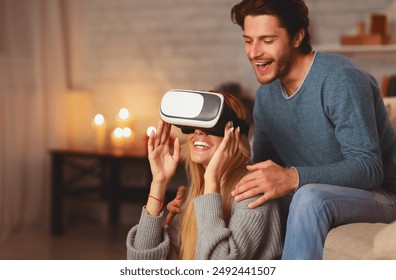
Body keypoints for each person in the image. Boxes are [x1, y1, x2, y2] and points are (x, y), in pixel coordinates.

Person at [228, 0, 396, 259]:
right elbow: (262, 170)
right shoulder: (266, 98)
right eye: (248, 40)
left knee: (309, 197)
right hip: (320, 192)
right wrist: (212, 184)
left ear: (297, 37)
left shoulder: (341, 79)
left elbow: (369, 169)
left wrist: (292, 177)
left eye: (267, 40)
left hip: (381, 196)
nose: (253, 52)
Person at [126, 91, 283, 260]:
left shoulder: (254, 193)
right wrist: (159, 183)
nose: (199, 131)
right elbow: (141, 265)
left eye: (212, 125)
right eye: (193, 124)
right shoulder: (194, 197)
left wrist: (211, 180)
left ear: (235, 135)